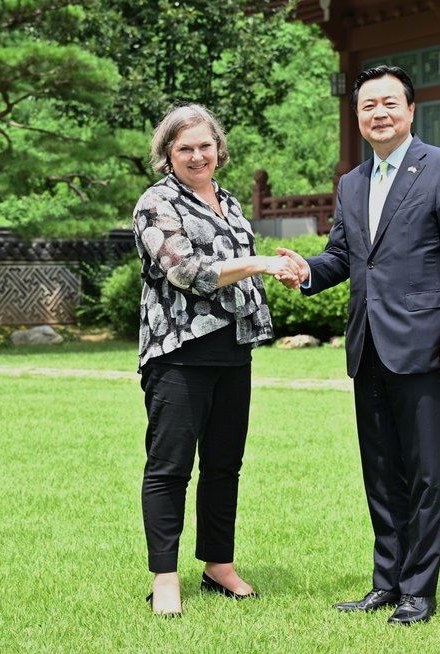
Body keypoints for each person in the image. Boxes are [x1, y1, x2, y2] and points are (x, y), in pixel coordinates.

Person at [278, 65, 440, 625]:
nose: (379, 114)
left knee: (423, 474)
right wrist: (304, 273)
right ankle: (386, 582)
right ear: (358, 116)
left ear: (411, 110)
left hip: (425, 348)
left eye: (390, 103)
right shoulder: (351, 182)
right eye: (368, 105)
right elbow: (344, 257)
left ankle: (419, 590)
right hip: (367, 347)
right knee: (380, 472)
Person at [133, 103, 298, 616]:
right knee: (170, 468)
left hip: (233, 351)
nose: (197, 155)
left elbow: (240, 272)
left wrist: (283, 268)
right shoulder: (156, 203)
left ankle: (218, 565)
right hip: (179, 356)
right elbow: (186, 272)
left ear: (218, 149)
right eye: (184, 148)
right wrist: (261, 263)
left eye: (205, 145)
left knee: (225, 464)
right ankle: (165, 577)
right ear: (167, 154)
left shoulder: (229, 202)